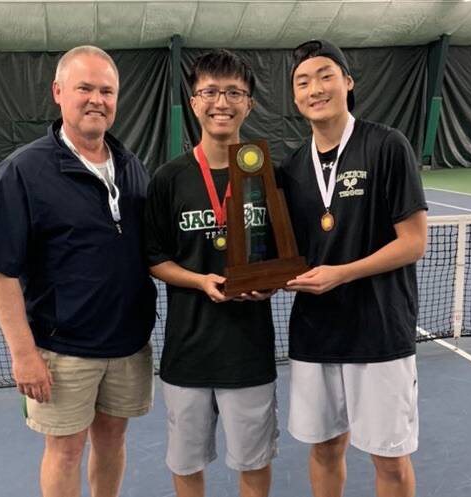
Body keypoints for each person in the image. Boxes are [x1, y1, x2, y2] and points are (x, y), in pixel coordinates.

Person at [0, 46, 156, 497]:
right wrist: (23, 353)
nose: (97, 99)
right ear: (58, 93)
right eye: (85, 88)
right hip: (62, 349)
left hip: (129, 343)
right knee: (66, 450)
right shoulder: (23, 171)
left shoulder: (131, 167)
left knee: (112, 440)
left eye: (107, 91)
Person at [277, 40, 428, 497]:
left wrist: (341, 273)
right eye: (302, 82)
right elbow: (289, 255)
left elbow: (414, 242)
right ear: (295, 96)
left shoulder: (386, 146)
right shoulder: (289, 168)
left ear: (347, 82)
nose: (314, 89)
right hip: (316, 334)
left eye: (325, 76)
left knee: (389, 457)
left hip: (379, 331)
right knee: (324, 449)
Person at [144, 50, 278, 497]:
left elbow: (286, 255)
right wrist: (200, 281)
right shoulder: (168, 178)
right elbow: (155, 258)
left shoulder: (267, 175)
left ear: (250, 104)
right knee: (185, 463)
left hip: (249, 351)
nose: (222, 102)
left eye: (234, 93)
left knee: (254, 463)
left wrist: (268, 285)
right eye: (210, 91)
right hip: (188, 352)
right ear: (194, 100)